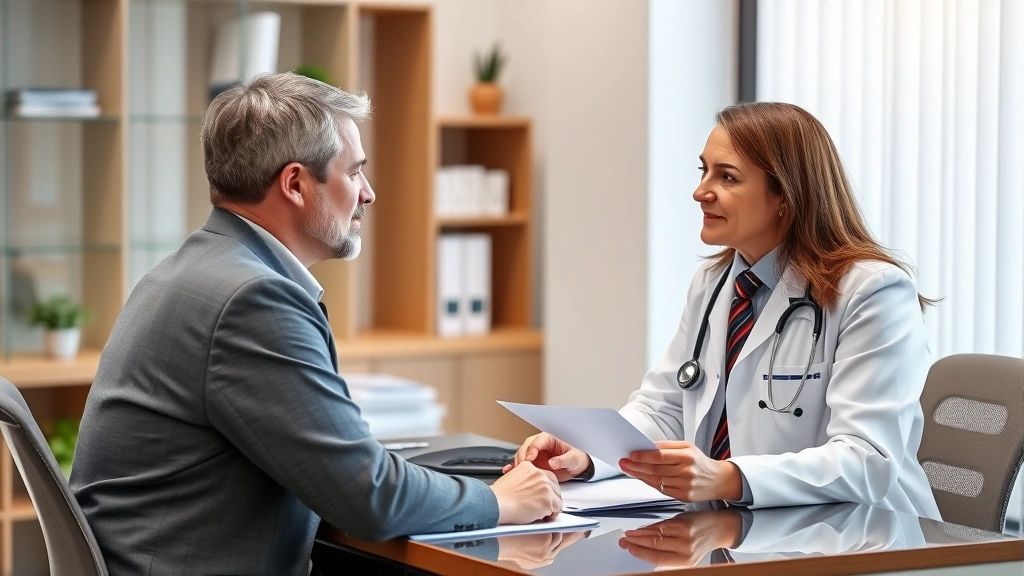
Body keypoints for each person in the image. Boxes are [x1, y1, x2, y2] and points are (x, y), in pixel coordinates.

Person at [70, 73, 561, 575]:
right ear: (296, 184)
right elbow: (368, 497)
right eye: (354, 174)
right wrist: (497, 500)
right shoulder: (251, 299)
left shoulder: (192, 272)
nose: (368, 194)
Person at [505, 101, 941, 520]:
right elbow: (664, 410)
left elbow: (867, 460)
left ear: (784, 197)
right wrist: (587, 453)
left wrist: (728, 478)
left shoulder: (871, 291)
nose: (700, 191)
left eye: (727, 177)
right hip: (743, 533)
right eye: (704, 170)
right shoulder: (713, 284)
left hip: (863, 538)